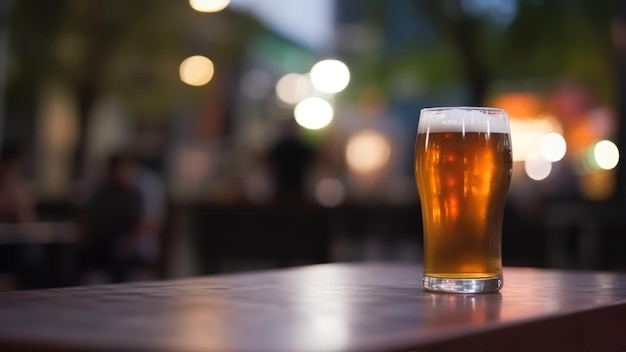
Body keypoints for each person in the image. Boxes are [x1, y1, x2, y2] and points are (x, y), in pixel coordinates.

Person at [78, 153, 143, 283]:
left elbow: (139, 225)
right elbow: (88, 221)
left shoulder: (134, 196)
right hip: (100, 243)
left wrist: (131, 241)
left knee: (122, 255)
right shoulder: (100, 194)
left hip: (123, 247)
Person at [268, 120, 316, 202]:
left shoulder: (281, 147)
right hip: (291, 185)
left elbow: (268, 160)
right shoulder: (298, 146)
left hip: (291, 185)